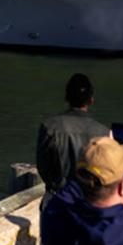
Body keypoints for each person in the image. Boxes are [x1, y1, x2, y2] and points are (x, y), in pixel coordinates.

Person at [36, 74, 108, 209]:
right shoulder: (104, 132)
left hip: (56, 198)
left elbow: (43, 165)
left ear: (66, 97)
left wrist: (54, 183)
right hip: (89, 202)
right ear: (91, 100)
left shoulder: (50, 126)